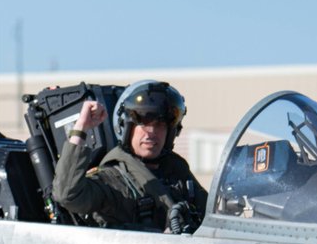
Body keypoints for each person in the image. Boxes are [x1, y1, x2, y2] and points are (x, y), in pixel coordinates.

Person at [52, 80, 207, 233]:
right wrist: (81, 128)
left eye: (159, 125)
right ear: (125, 127)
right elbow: (67, 195)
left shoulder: (178, 174)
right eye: (143, 123)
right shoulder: (111, 180)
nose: (151, 132)